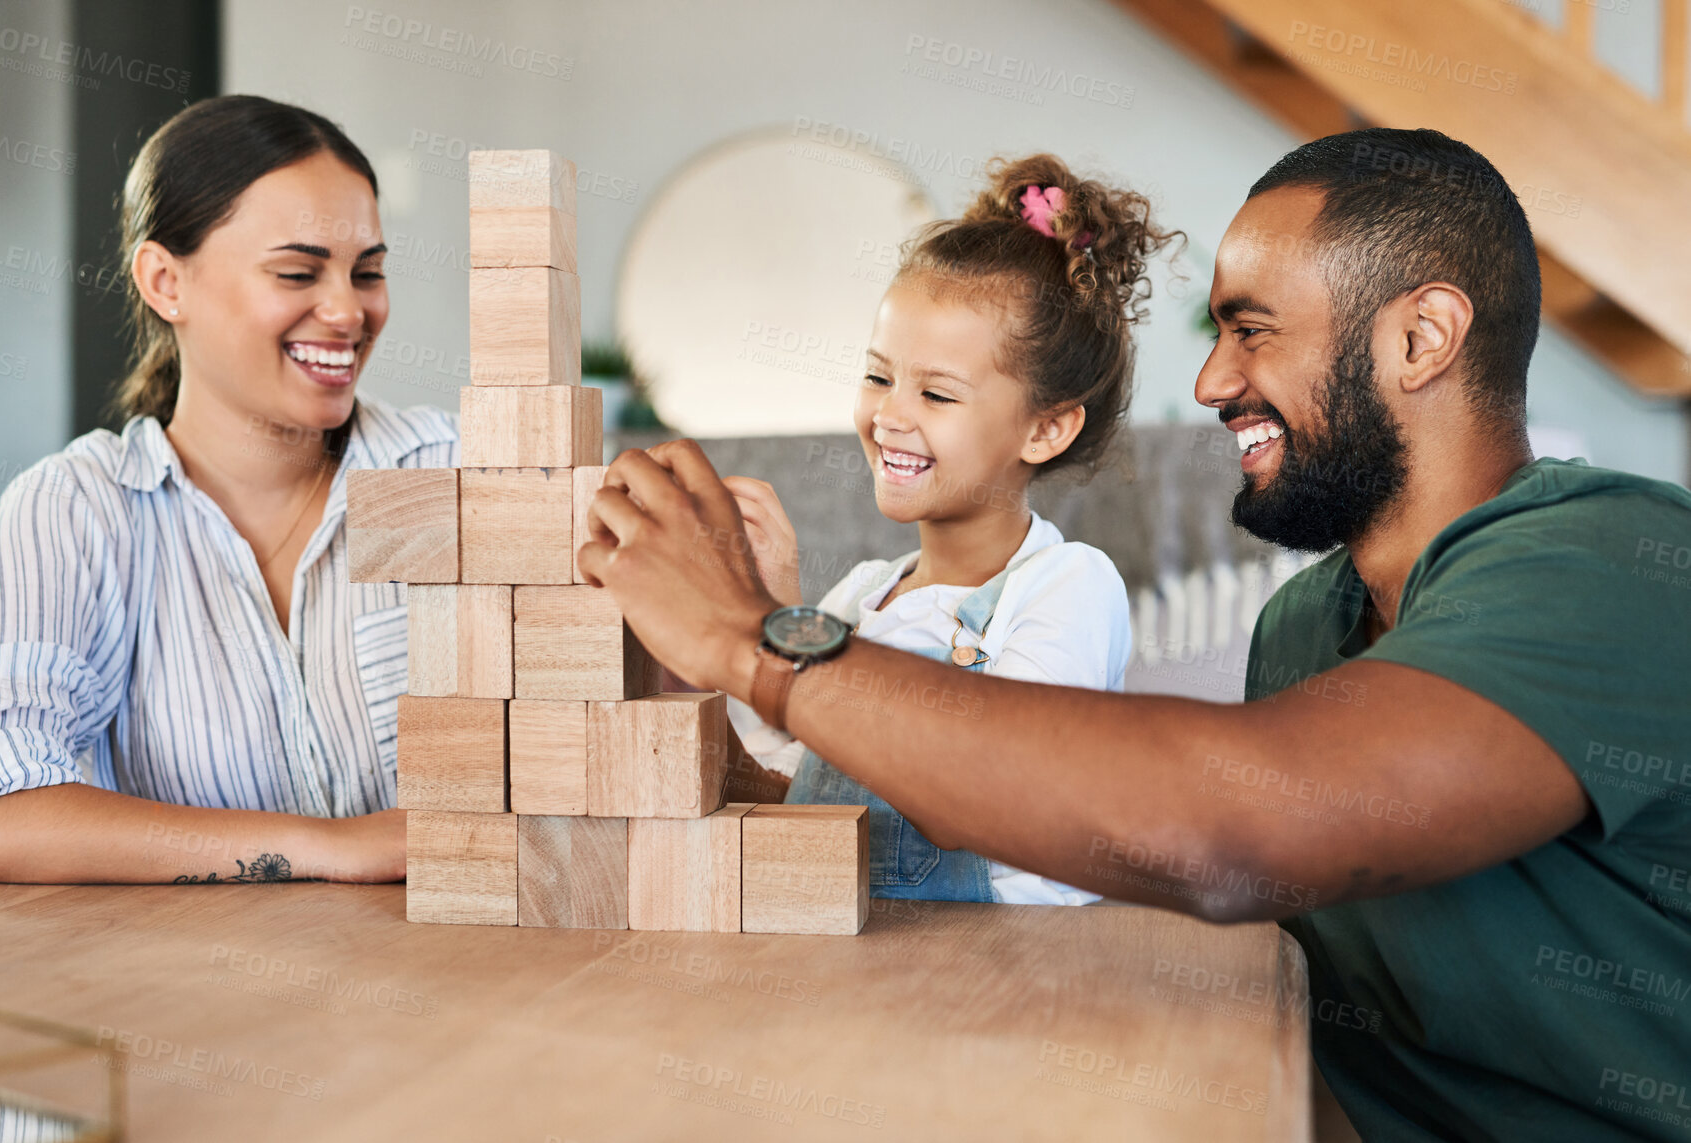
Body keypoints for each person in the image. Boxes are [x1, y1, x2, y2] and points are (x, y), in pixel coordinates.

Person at [576, 127, 1691, 1141]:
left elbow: (1239, 826)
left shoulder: (1610, 563)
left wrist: (757, 641)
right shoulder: (1304, 625)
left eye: (1250, 331)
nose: (1210, 381)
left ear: (1420, 338)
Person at [0, 95, 446, 885]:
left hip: (474, 985)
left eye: (368, 271)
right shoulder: (76, 510)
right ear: (165, 280)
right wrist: (334, 845)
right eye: (297, 272)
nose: (350, 310)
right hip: (191, 1001)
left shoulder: (452, 471)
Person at [727, 154, 1174, 903]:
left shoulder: (1068, 586)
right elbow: (783, 778)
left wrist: (800, 643)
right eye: (878, 377)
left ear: (1046, 428)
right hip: (851, 949)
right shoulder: (866, 593)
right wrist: (773, 616)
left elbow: (993, 784)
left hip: (991, 973)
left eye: (936, 392)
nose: (890, 414)